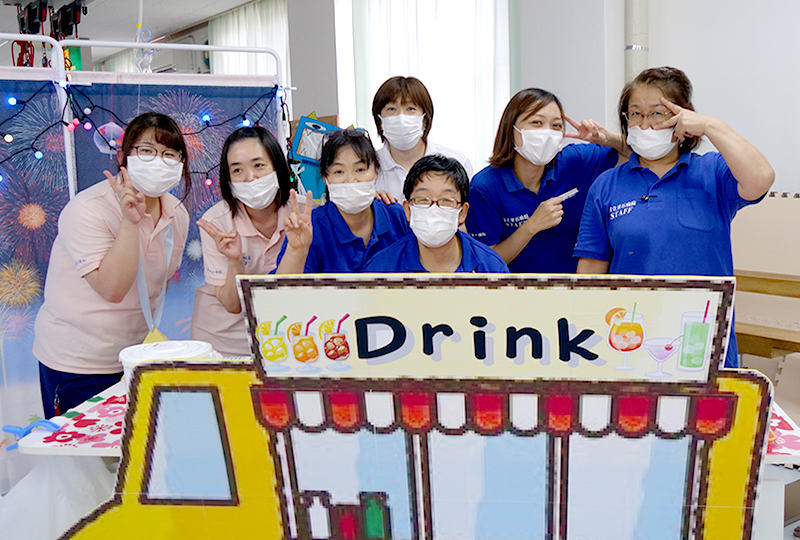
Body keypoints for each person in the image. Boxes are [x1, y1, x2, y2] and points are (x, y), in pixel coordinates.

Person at [574, 66, 775, 368]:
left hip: (702, 338)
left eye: (657, 113)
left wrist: (711, 126)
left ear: (682, 117)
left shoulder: (712, 171)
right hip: (631, 340)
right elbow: (591, 269)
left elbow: (761, 178)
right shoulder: (606, 185)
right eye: (635, 114)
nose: (645, 124)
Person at [33, 112, 191, 417]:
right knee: (84, 448)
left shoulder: (177, 214)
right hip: (78, 363)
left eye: (170, 154)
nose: (158, 161)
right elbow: (112, 289)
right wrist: (130, 223)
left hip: (136, 358)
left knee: (136, 444)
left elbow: (157, 284)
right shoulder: (87, 209)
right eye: (146, 151)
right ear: (122, 157)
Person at [465, 88, 627, 273]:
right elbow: (485, 263)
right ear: (512, 128)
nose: (547, 133)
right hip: (515, 287)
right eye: (537, 123)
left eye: (556, 126)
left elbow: (638, 152)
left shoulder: (575, 162)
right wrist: (531, 226)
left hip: (574, 285)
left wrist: (607, 139)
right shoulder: (485, 186)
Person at [192, 126, 293, 357]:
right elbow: (231, 305)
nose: (250, 178)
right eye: (237, 170)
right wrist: (234, 261)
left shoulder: (304, 214)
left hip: (283, 339)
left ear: (277, 167)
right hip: (223, 344)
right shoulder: (217, 222)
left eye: (259, 165)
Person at [276, 129, 409, 273]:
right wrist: (296, 251)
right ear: (325, 178)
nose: (351, 180)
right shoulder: (311, 227)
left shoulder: (397, 217)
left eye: (360, 170)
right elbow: (283, 286)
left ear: (376, 172)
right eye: (339, 172)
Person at [363, 154, 509, 273]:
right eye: (423, 200)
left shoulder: (491, 267)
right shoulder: (380, 270)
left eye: (446, 200)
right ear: (408, 210)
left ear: (462, 213)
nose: (434, 209)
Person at [372, 76, 473, 202]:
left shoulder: (457, 162)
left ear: (425, 119)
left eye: (410, 109)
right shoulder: (366, 168)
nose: (401, 118)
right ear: (380, 121)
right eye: (391, 109)